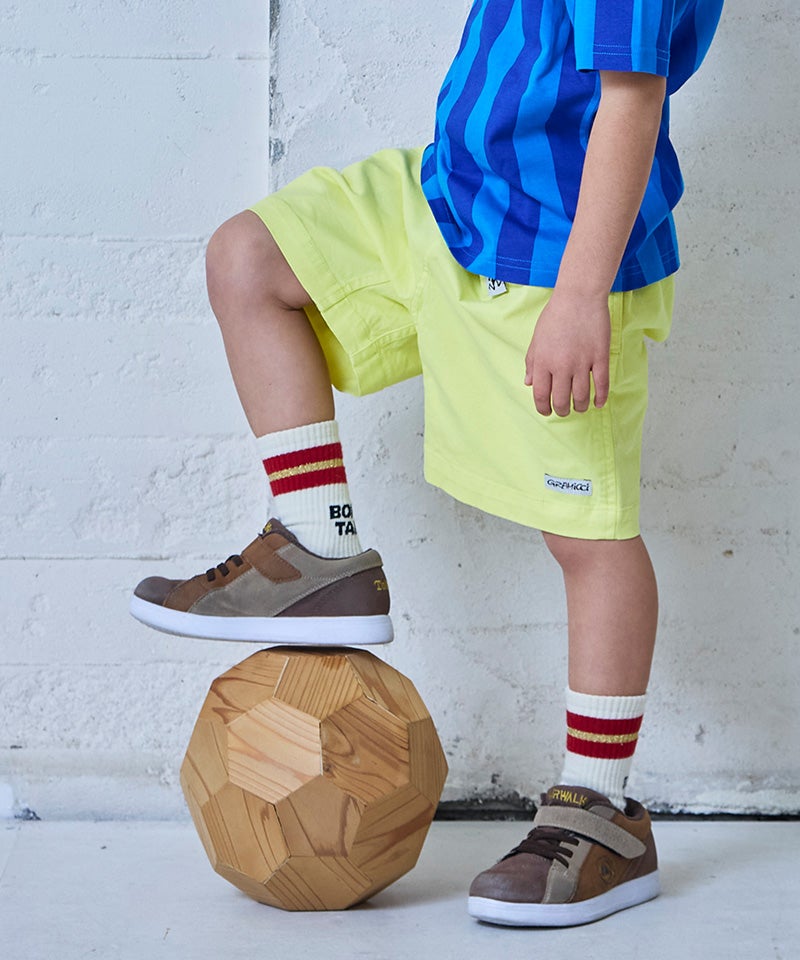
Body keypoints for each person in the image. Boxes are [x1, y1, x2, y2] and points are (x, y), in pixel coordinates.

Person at [130, 0, 723, 927]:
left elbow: (631, 97)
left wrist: (580, 296)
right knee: (250, 258)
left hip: (553, 255)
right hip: (448, 199)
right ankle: (318, 549)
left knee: (587, 537)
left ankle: (601, 809)